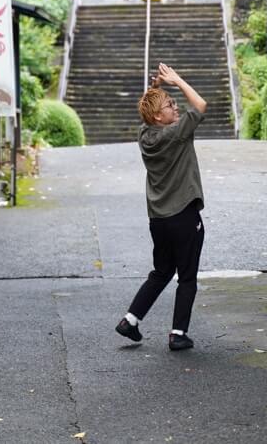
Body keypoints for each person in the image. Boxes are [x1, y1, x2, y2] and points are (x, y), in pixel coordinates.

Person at [116, 62, 207, 351]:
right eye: (169, 105)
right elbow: (201, 105)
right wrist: (177, 80)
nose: (175, 107)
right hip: (183, 215)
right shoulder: (175, 133)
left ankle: (130, 320)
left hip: (159, 219)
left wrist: (156, 88)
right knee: (187, 276)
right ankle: (178, 334)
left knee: (162, 271)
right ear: (159, 116)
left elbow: (149, 110)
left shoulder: (146, 136)